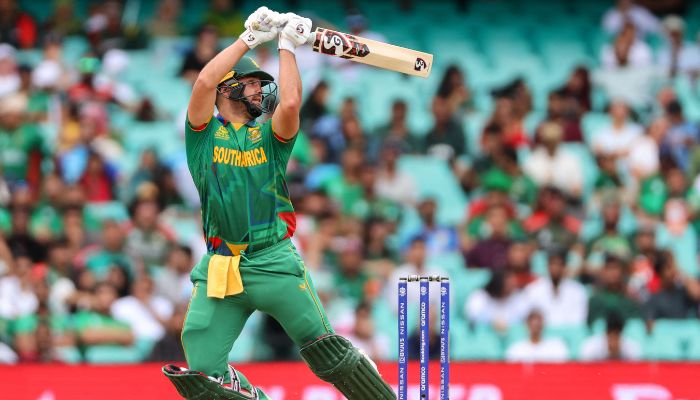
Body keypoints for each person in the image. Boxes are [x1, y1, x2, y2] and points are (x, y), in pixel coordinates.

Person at [161, 7, 396, 400]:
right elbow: (203, 81)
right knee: (201, 378)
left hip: (274, 261)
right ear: (228, 87)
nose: (259, 92)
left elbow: (288, 105)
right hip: (222, 268)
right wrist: (247, 39)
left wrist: (287, 46)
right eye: (252, 84)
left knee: (328, 354)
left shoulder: (269, 139)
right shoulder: (201, 138)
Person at [505, 309, 570, 363]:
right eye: (532, 320)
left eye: (539, 320)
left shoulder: (556, 347)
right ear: (527, 324)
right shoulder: (516, 349)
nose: (535, 323)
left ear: (543, 323)